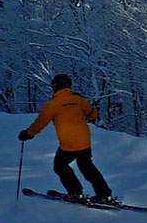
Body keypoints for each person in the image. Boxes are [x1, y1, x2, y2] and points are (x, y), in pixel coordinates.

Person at [18, 74, 117, 204]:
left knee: (60, 166)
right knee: (87, 167)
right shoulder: (78, 99)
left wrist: (28, 134)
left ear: (54, 87)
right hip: (84, 141)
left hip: (68, 144)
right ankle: (104, 195)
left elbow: (40, 123)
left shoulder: (53, 104)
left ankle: (76, 193)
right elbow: (93, 114)